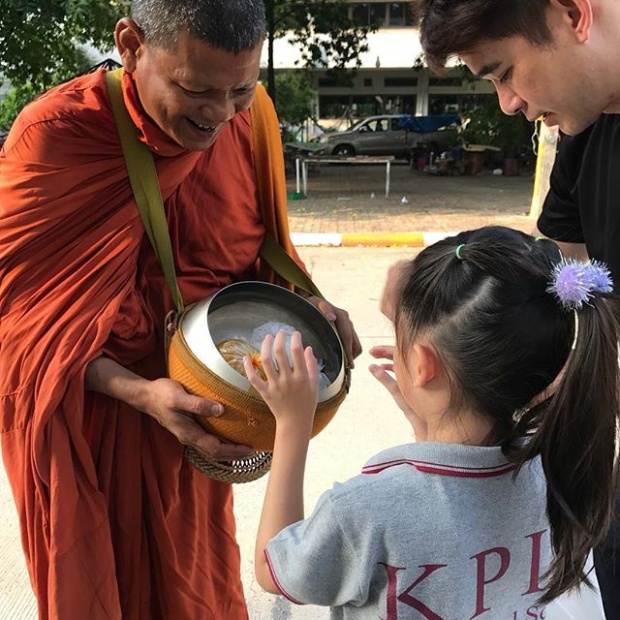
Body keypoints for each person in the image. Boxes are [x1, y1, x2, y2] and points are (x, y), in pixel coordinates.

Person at [0, 1, 361, 618]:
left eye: (240, 90)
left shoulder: (254, 121)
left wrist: (307, 306)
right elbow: (20, 327)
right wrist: (143, 395)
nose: (220, 115)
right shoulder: (57, 137)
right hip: (101, 431)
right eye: (197, 90)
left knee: (197, 592)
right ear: (132, 44)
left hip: (204, 426)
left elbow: (255, 257)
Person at [247, 226, 620, 619]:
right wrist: (427, 432)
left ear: (423, 365)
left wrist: (292, 426)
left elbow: (274, 570)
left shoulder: (365, 510)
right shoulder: (556, 472)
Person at [402, 3, 620, 617]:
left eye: (504, 72)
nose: (508, 104)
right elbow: (564, 290)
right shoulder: (586, 129)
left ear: (572, 15)